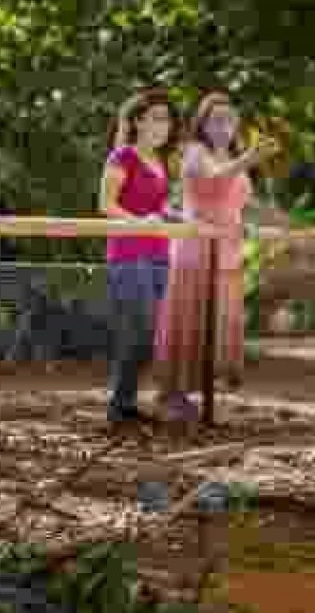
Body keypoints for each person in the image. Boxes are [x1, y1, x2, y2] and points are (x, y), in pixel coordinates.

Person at [154, 91, 281, 422]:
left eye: (229, 119)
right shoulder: (196, 152)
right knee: (190, 317)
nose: (224, 126)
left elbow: (240, 202)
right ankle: (172, 394)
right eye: (217, 119)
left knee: (217, 322)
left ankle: (205, 396)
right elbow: (210, 180)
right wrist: (247, 160)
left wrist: (282, 224)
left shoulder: (234, 157)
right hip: (195, 249)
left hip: (227, 251)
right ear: (203, 123)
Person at [99, 89, 179, 426]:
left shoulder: (159, 163)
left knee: (147, 336)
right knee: (137, 329)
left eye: (167, 119)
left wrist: (173, 215)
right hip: (128, 255)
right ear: (137, 122)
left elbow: (155, 207)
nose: (164, 126)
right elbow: (106, 205)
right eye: (156, 118)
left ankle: (126, 403)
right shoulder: (123, 157)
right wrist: (139, 222)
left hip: (159, 254)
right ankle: (119, 406)